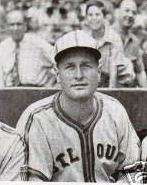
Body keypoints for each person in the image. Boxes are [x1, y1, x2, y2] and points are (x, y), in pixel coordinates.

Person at [16, 30, 140, 182]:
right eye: (70, 67)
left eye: (86, 65)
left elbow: (133, 171)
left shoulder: (115, 111)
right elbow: (31, 181)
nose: (79, 75)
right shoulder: (37, 119)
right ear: (57, 74)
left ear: (99, 71)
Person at [82, 0, 135, 88]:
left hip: (121, 78)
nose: (94, 18)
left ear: (104, 17)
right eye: (90, 15)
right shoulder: (85, 38)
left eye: (97, 14)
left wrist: (111, 93)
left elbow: (113, 70)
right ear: (86, 18)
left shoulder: (113, 37)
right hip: (100, 76)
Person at [0, 9, 56, 88]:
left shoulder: (38, 43)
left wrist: (51, 83)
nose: (15, 28)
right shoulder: (3, 47)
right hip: (10, 93)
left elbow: (59, 61)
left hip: (35, 92)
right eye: (12, 25)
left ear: (25, 26)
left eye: (19, 24)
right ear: (7, 27)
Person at [113, 0, 147, 87]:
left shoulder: (134, 41)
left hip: (125, 93)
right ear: (118, 13)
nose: (130, 15)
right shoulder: (107, 36)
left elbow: (140, 72)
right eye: (127, 11)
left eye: (134, 12)